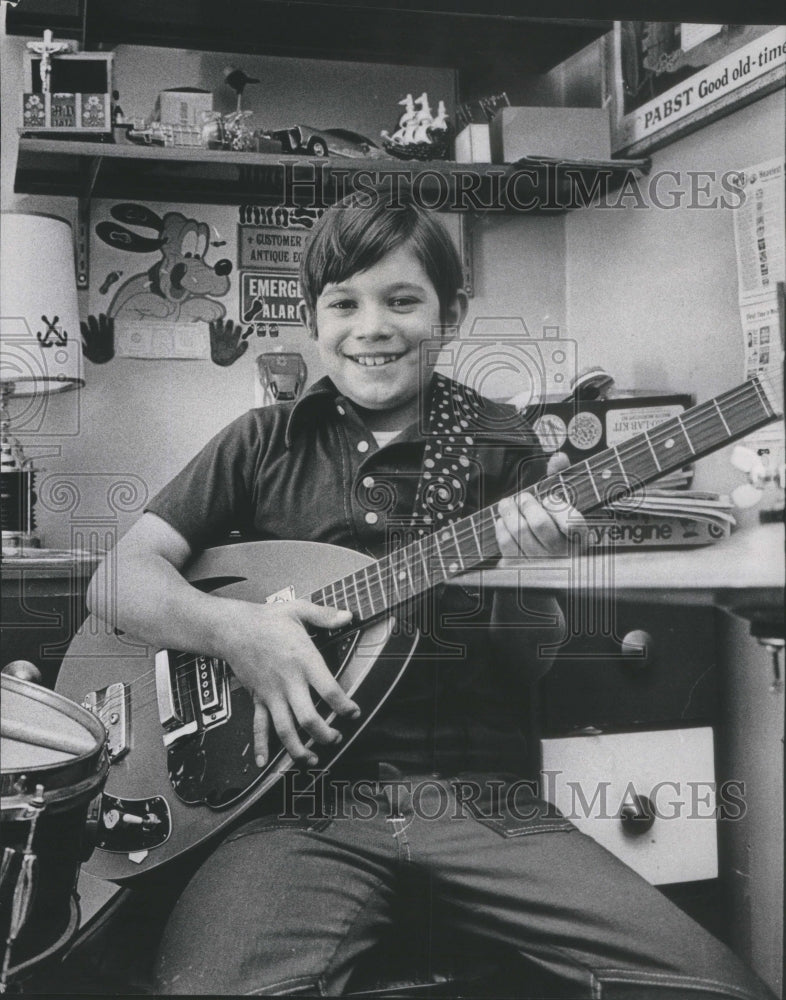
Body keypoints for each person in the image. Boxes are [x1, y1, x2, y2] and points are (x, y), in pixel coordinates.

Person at [91, 188, 775, 999]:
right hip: (292, 809)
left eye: (402, 301)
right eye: (344, 302)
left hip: (481, 802)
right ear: (315, 319)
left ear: (448, 313)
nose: (371, 327)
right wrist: (235, 631)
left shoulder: (503, 445)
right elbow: (118, 578)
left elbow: (535, 660)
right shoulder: (262, 442)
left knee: (718, 986)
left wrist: (537, 576)